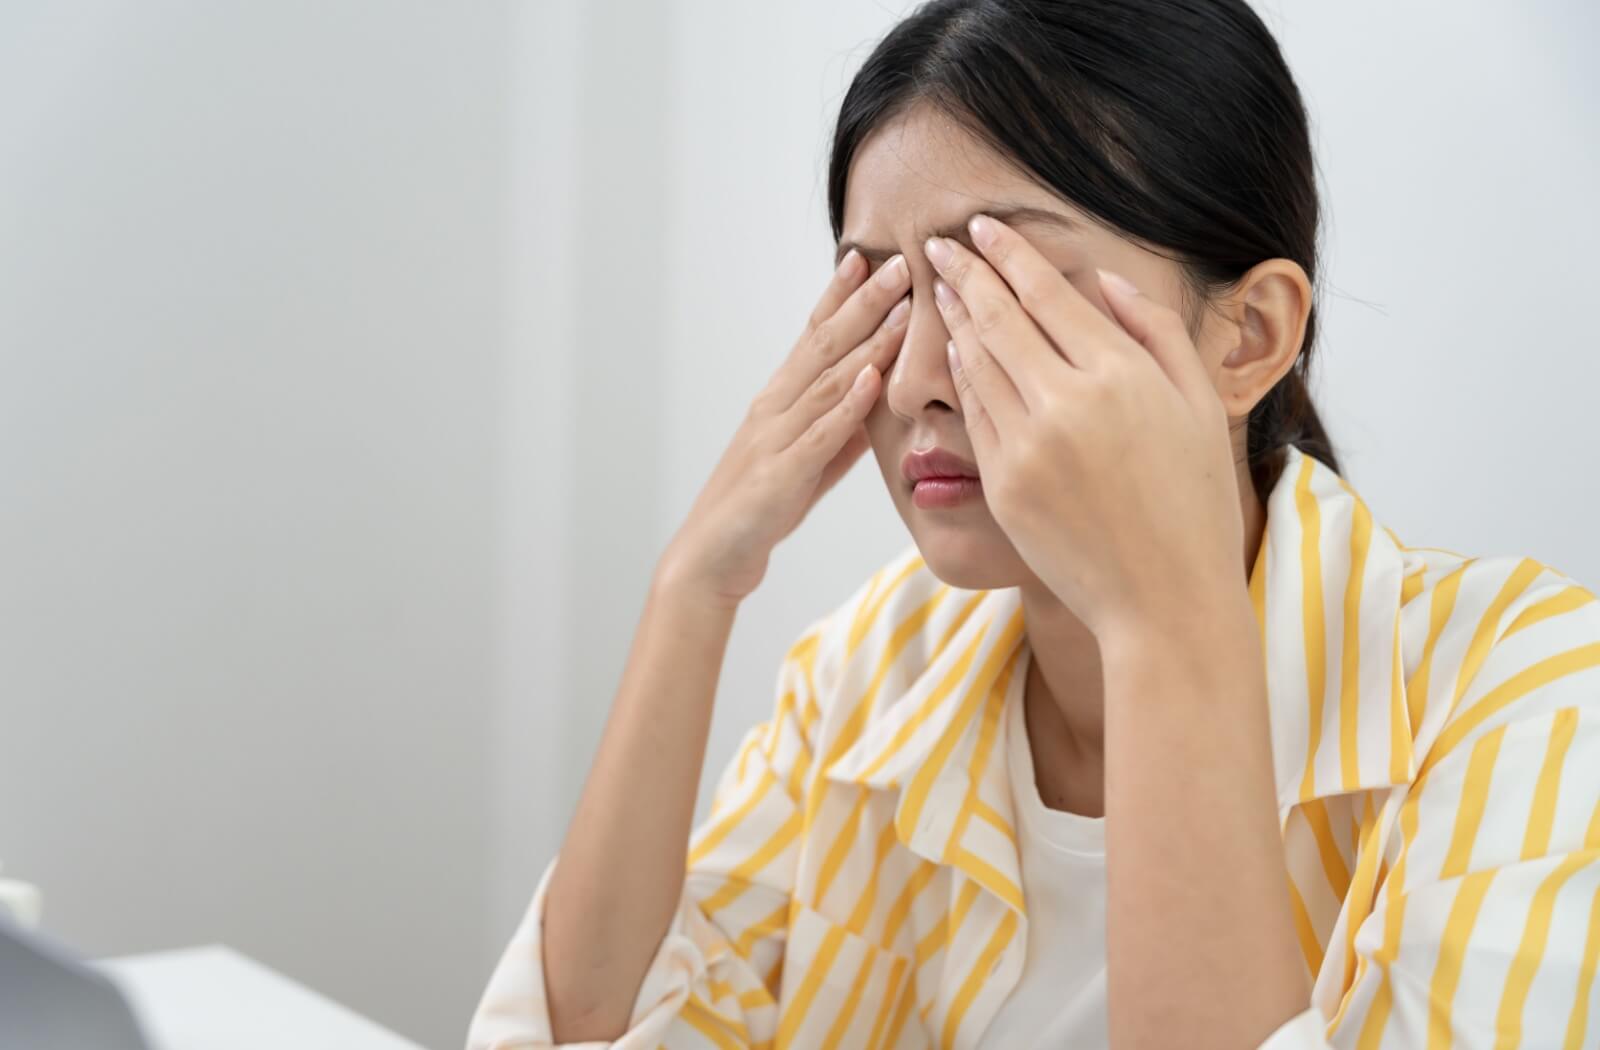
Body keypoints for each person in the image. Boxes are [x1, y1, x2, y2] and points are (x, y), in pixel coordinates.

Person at [467, 1, 1600, 1047]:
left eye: (999, 293)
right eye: (883, 295)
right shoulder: (871, 674)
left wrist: (1162, 617)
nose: (916, 377)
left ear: (1248, 336)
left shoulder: (1528, 695)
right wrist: (693, 588)